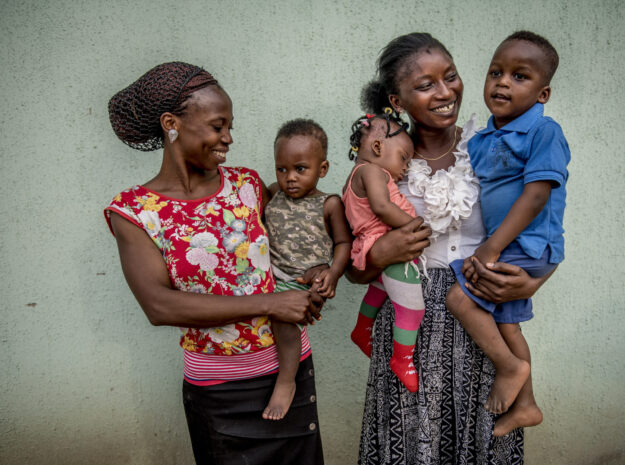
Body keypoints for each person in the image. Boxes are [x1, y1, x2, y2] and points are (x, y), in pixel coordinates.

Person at [350, 33, 558, 465]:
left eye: (451, 77)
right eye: (426, 85)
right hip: (409, 326)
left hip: (483, 318)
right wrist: (381, 251)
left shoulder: (490, 146)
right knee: (411, 441)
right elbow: (355, 265)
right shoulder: (382, 163)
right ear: (398, 99)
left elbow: (543, 220)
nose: (446, 92)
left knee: (481, 437)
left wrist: (532, 283)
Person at [104, 62, 324, 465]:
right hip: (218, 392)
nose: (229, 138)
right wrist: (270, 303)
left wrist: (322, 273)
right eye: (218, 126)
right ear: (172, 123)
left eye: (230, 126)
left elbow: (302, 223)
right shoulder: (135, 212)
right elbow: (159, 306)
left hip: (288, 373)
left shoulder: (247, 185)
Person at [446, 31, 569, 437]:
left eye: (520, 76)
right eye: (496, 72)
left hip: (527, 245)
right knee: (509, 325)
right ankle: (528, 405)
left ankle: (510, 367)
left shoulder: (542, 133)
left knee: (460, 299)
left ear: (543, 93)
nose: (502, 82)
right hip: (512, 246)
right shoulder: (482, 140)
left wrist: (491, 247)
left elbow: (536, 196)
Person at [262, 118, 351, 420]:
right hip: (270, 277)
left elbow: (343, 243)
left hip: (302, 281)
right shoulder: (273, 193)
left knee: (283, 323)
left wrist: (333, 273)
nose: (290, 178)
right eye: (282, 169)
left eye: (300, 169)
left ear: (322, 169)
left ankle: (286, 382)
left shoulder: (329, 203)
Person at [343, 112, 425, 393]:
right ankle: (402, 359)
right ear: (378, 148)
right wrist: (414, 226)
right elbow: (381, 207)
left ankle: (362, 328)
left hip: (372, 243)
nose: (405, 167)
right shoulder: (372, 171)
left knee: (378, 290)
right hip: (386, 240)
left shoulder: (356, 176)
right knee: (413, 308)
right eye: (403, 158)